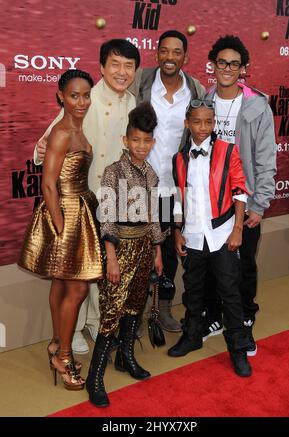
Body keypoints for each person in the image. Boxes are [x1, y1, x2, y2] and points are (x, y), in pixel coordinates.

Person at [33, 39, 140, 354]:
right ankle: (73, 330)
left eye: (129, 66)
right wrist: (41, 151)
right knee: (75, 271)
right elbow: (49, 141)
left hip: (111, 200)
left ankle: (95, 320)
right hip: (79, 199)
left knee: (101, 267)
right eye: (115, 64)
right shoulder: (84, 97)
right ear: (103, 67)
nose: (122, 72)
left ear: (135, 70)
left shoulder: (133, 104)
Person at [18, 69, 103, 390]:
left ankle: (56, 342)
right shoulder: (62, 132)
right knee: (79, 288)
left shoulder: (76, 128)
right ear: (60, 96)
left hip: (78, 210)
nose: (81, 102)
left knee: (61, 282)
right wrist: (60, 228)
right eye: (73, 96)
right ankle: (64, 357)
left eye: (85, 95)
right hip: (64, 212)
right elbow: (49, 185)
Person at [86, 102, 166, 407]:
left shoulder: (152, 173)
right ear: (125, 140)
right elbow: (106, 217)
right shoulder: (112, 172)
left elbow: (155, 216)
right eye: (136, 140)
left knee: (135, 306)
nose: (141, 146)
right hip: (120, 249)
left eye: (147, 141)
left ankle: (126, 358)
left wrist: (157, 250)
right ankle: (95, 378)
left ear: (153, 142)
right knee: (111, 312)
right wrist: (112, 256)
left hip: (146, 246)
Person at [202, 35, 277, 355]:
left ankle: (245, 316)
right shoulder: (204, 101)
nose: (227, 68)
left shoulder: (257, 106)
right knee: (210, 261)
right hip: (210, 201)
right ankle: (214, 315)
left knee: (244, 262)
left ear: (243, 69)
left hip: (244, 200)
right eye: (222, 62)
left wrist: (259, 203)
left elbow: (266, 158)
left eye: (234, 63)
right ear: (213, 65)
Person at [168, 99, 253, 377]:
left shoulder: (229, 152)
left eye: (208, 122)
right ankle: (191, 337)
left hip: (222, 234)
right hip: (193, 236)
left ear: (214, 123)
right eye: (196, 121)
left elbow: (239, 191)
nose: (202, 127)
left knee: (230, 292)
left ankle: (238, 349)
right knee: (192, 291)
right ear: (187, 123)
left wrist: (238, 229)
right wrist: (177, 231)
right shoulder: (179, 158)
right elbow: (179, 198)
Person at [131, 30, 205, 333]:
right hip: (140, 185)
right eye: (165, 51)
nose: (170, 57)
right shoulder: (141, 81)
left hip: (174, 190)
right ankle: (133, 313)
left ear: (185, 57)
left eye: (177, 52)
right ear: (157, 53)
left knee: (171, 254)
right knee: (136, 250)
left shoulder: (196, 89)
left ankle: (162, 309)